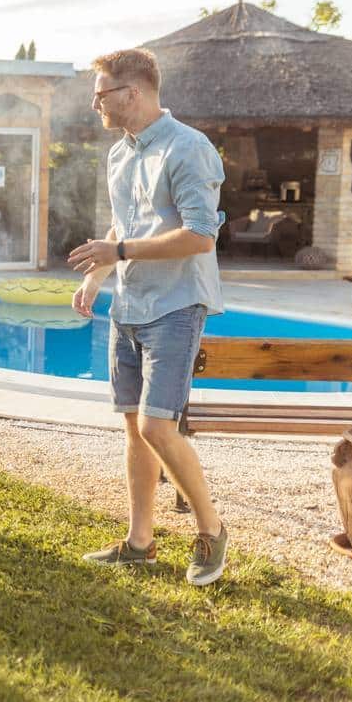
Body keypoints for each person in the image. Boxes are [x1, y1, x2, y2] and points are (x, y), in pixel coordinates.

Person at [69, 48, 228, 586]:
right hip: (130, 305)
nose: (95, 103)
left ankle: (211, 530)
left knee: (158, 425)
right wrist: (97, 275)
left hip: (176, 305)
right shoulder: (119, 154)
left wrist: (119, 254)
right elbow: (122, 227)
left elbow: (201, 237)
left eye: (101, 94)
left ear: (131, 93)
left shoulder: (189, 148)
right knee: (135, 429)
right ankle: (140, 542)